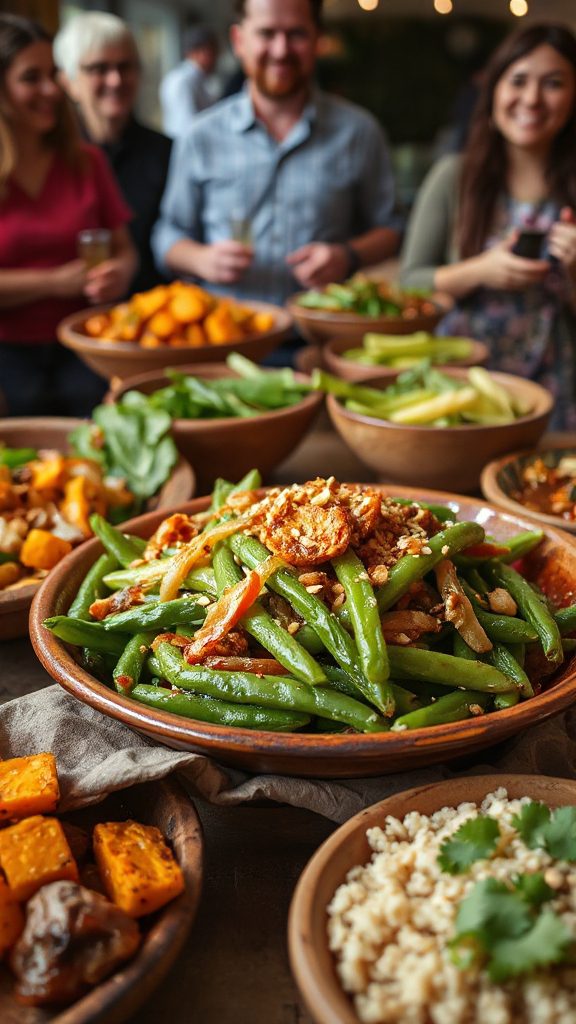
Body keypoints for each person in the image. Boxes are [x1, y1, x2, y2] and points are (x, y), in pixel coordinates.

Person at [151, 0, 401, 313]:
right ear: (239, 41)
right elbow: (168, 234)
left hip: (323, 330)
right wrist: (200, 260)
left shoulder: (360, 133)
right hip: (225, 333)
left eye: (296, 34)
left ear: (317, 40)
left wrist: (347, 255)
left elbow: (391, 229)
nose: (281, 50)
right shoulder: (200, 136)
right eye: (267, 33)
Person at [400, 23, 576, 429]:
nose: (532, 98)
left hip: (558, 392)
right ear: (494, 90)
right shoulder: (454, 177)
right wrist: (481, 270)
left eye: (553, 83)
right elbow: (408, 284)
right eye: (518, 81)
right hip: (456, 388)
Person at [0, 14, 136, 417]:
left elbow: (126, 250)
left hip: (87, 344)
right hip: (8, 356)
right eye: (30, 77)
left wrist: (120, 274)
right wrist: (54, 282)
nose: (50, 90)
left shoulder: (86, 161)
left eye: (53, 74)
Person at [54, 12, 172, 294]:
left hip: (154, 315)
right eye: (99, 68)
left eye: (125, 66)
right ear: (68, 82)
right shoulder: (50, 159)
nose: (116, 80)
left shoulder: (167, 152)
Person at [159, 25, 219, 139]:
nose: (216, 58)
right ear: (197, 52)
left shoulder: (198, 79)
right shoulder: (183, 81)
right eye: (213, 52)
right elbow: (186, 126)